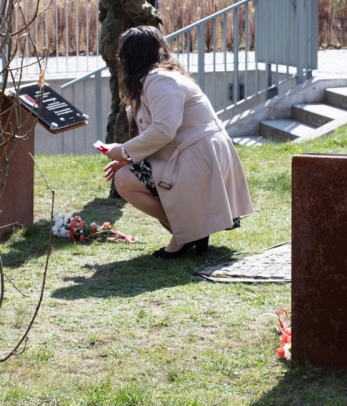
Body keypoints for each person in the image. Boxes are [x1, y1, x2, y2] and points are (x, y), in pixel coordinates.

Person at [99, 26, 254, 259]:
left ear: (132, 56)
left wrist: (123, 151)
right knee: (126, 177)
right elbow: (163, 132)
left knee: (124, 181)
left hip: (196, 158)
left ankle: (188, 232)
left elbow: (163, 130)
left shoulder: (159, 80)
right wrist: (129, 157)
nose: (119, 58)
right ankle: (190, 231)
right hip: (195, 156)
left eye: (123, 53)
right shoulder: (159, 78)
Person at [97, 0, 161, 146]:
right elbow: (133, 1)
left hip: (114, 34)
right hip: (126, 37)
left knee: (120, 100)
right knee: (129, 102)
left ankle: (115, 152)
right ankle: (123, 157)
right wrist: (155, 21)